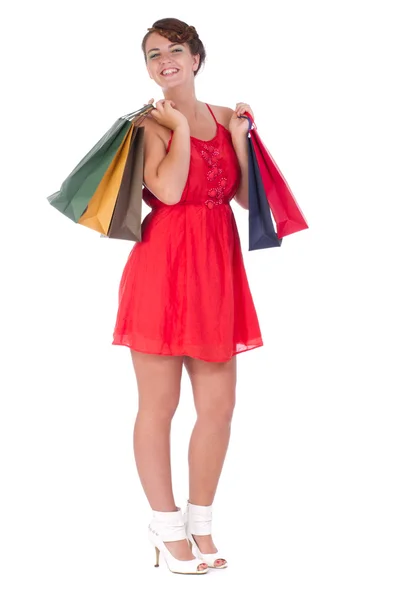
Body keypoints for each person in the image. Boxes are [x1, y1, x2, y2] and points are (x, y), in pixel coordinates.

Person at [112, 17, 264, 574]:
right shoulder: (151, 123)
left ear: (196, 58)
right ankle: (165, 525)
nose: (165, 60)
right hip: (163, 267)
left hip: (216, 269)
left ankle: (202, 523)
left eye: (175, 50)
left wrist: (241, 142)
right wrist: (175, 123)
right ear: (148, 67)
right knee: (160, 405)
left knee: (218, 408)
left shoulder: (223, 117)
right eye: (154, 54)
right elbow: (170, 191)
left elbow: (245, 199)